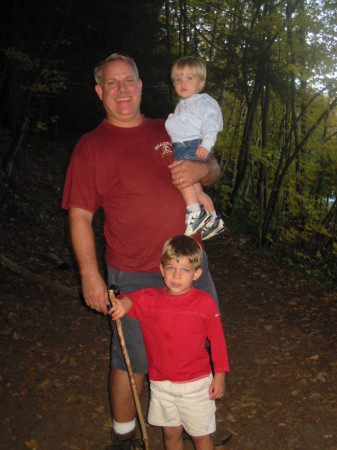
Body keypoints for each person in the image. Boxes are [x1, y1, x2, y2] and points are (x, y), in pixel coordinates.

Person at [62, 53, 231, 449]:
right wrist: (90, 275)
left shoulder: (169, 127)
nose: (122, 89)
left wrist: (201, 172)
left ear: (140, 86)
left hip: (190, 267)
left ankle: (198, 428)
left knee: (198, 351)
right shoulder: (91, 147)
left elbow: (214, 167)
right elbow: (80, 216)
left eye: (129, 81)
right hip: (133, 273)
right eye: (112, 83)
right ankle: (123, 439)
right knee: (133, 362)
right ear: (100, 92)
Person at [110, 235, 230, 450]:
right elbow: (128, 301)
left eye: (185, 270)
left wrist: (219, 376)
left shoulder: (204, 303)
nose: (176, 275)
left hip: (196, 384)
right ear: (161, 269)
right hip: (162, 384)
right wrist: (122, 302)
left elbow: (218, 341)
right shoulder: (150, 299)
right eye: (171, 267)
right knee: (171, 433)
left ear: (197, 274)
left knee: (200, 435)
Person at [165, 56, 225, 240]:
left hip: (191, 146)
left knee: (182, 178)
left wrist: (206, 144)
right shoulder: (184, 104)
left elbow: (211, 124)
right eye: (178, 79)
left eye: (189, 78)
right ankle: (214, 219)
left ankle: (194, 213)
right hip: (185, 145)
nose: (182, 83)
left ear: (201, 82)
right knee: (198, 191)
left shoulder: (202, 102)